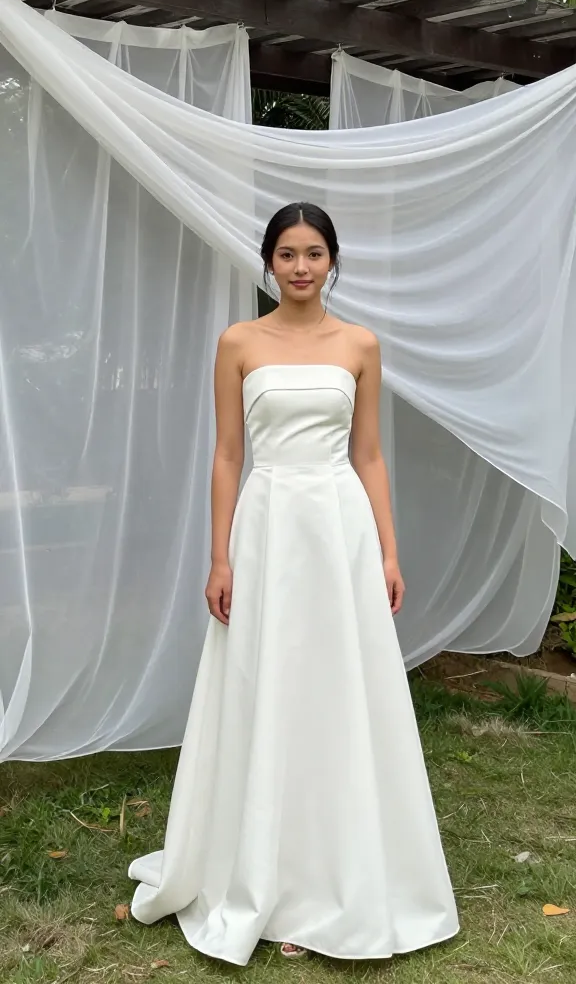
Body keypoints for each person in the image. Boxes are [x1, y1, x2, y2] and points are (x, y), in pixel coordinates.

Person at [129, 202, 459, 964]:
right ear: (269, 262)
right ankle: (256, 866)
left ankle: (338, 870)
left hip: (337, 527)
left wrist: (388, 551)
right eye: (287, 253)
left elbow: (370, 454)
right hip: (268, 526)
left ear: (332, 261)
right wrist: (219, 557)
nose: (301, 266)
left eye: (314, 253)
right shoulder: (240, 342)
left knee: (337, 684)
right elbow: (225, 456)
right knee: (263, 681)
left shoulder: (360, 344)